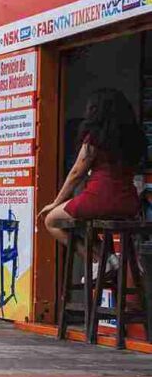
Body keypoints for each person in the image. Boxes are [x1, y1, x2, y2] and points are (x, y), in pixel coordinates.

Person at [40, 88, 145, 267]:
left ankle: (99, 262)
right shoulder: (135, 137)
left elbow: (76, 173)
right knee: (82, 220)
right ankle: (108, 258)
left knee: (51, 220)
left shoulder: (95, 137)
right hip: (128, 203)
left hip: (99, 199)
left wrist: (56, 201)